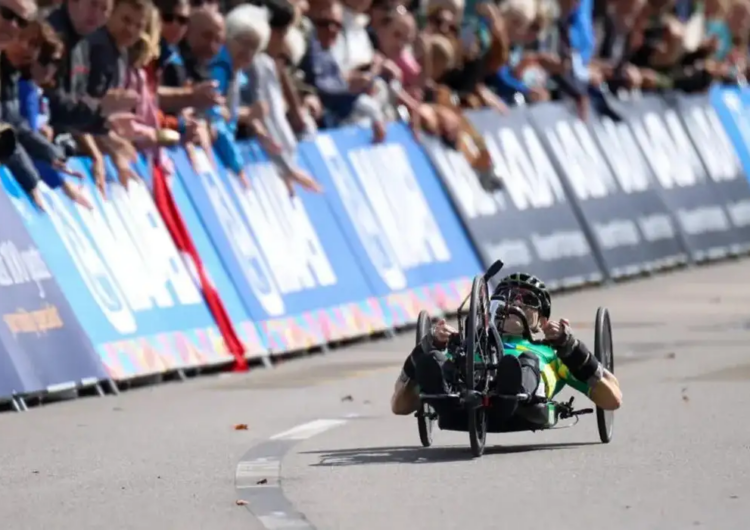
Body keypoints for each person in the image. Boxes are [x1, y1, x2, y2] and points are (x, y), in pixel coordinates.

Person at [391, 272, 622, 423]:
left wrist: (572, 347)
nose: (515, 303)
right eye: (507, 296)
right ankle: (444, 399)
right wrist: (427, 346)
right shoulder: (466, 347)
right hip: (460, 400)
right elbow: (399, 406)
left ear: (542, 321)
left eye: (527, 299)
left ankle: (510, 392)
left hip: (524, 396)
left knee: (525, 362)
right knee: (434, 361)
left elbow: (613, 399)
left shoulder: (554, 354)